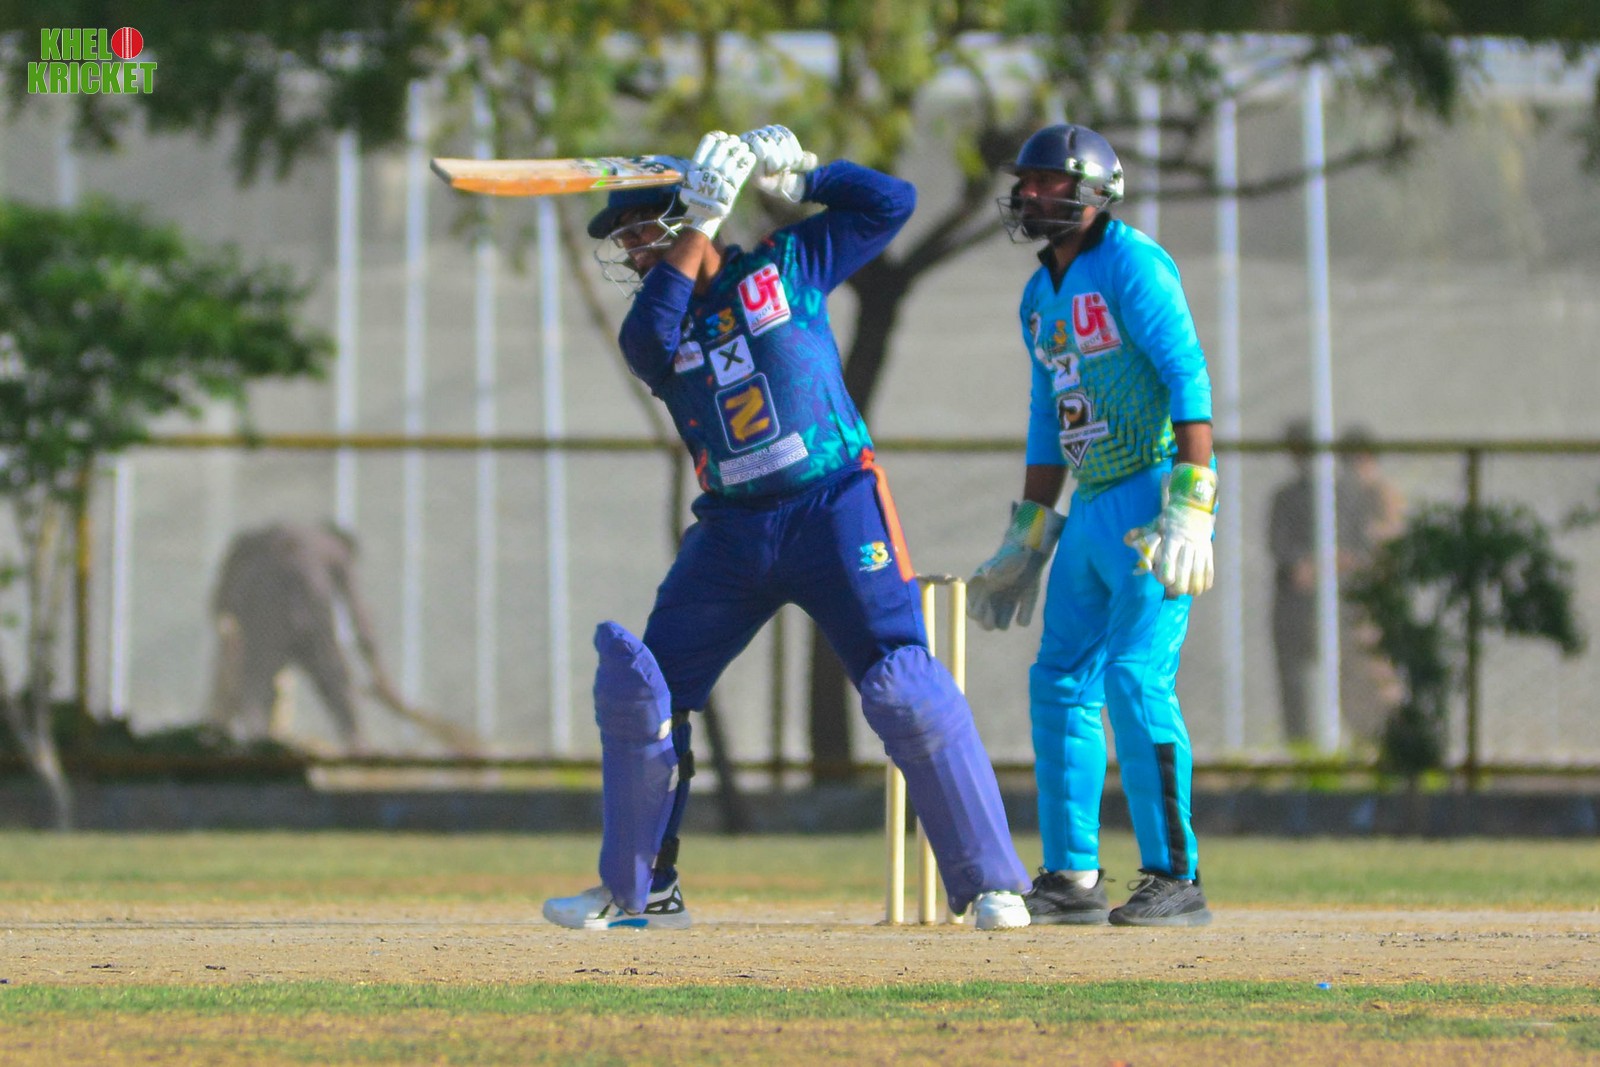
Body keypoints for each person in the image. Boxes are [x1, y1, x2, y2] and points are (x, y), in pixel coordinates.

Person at [542, 126, 1032, 931]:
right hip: (732, 530)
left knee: (904, 685)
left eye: (639, 229)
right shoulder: (654, 324)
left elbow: (892, 204)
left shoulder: (785, 265)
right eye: (622, 236)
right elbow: (650, 342)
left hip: (833, 507)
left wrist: (803, 175)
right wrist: (700, 219)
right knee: (645, 691)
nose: (629, 249)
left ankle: (991, 884)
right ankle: (641, 889)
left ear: (680, 216)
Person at [966, 123, 1216, 927]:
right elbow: (1049, 416)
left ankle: (1175, 876)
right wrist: (1029, 534)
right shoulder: (1037, 296)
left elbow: (1188, 375)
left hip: (1151, 492)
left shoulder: (1133, 264)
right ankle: (1072, 875)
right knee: (1060, 680)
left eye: (1049, 182)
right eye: (1026, 182)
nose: (1030, 194)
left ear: (1094, 191)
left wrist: (1193, 500)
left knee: (1135, 679)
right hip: (1090, 506)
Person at [1268, 422, 1405, 747]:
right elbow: (1286, 556)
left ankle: (1372, 742)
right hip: (1299, 611)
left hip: (1350, 610)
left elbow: (1371, 551)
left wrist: (1326, 564)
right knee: (1298, 685)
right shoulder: (1289, 498)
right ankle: (1304, 749)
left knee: (1361, 681)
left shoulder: (1364, 496)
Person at [207, 522, 378, 754]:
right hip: (308, 616)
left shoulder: (270, 536)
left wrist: (223, 609)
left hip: (266, 613)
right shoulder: (334, 548)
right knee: (335, 684)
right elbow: (357, 611)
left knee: (256, 688)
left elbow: (235, 558)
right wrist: (374, 663)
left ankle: (258, 746)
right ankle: (357, 745)